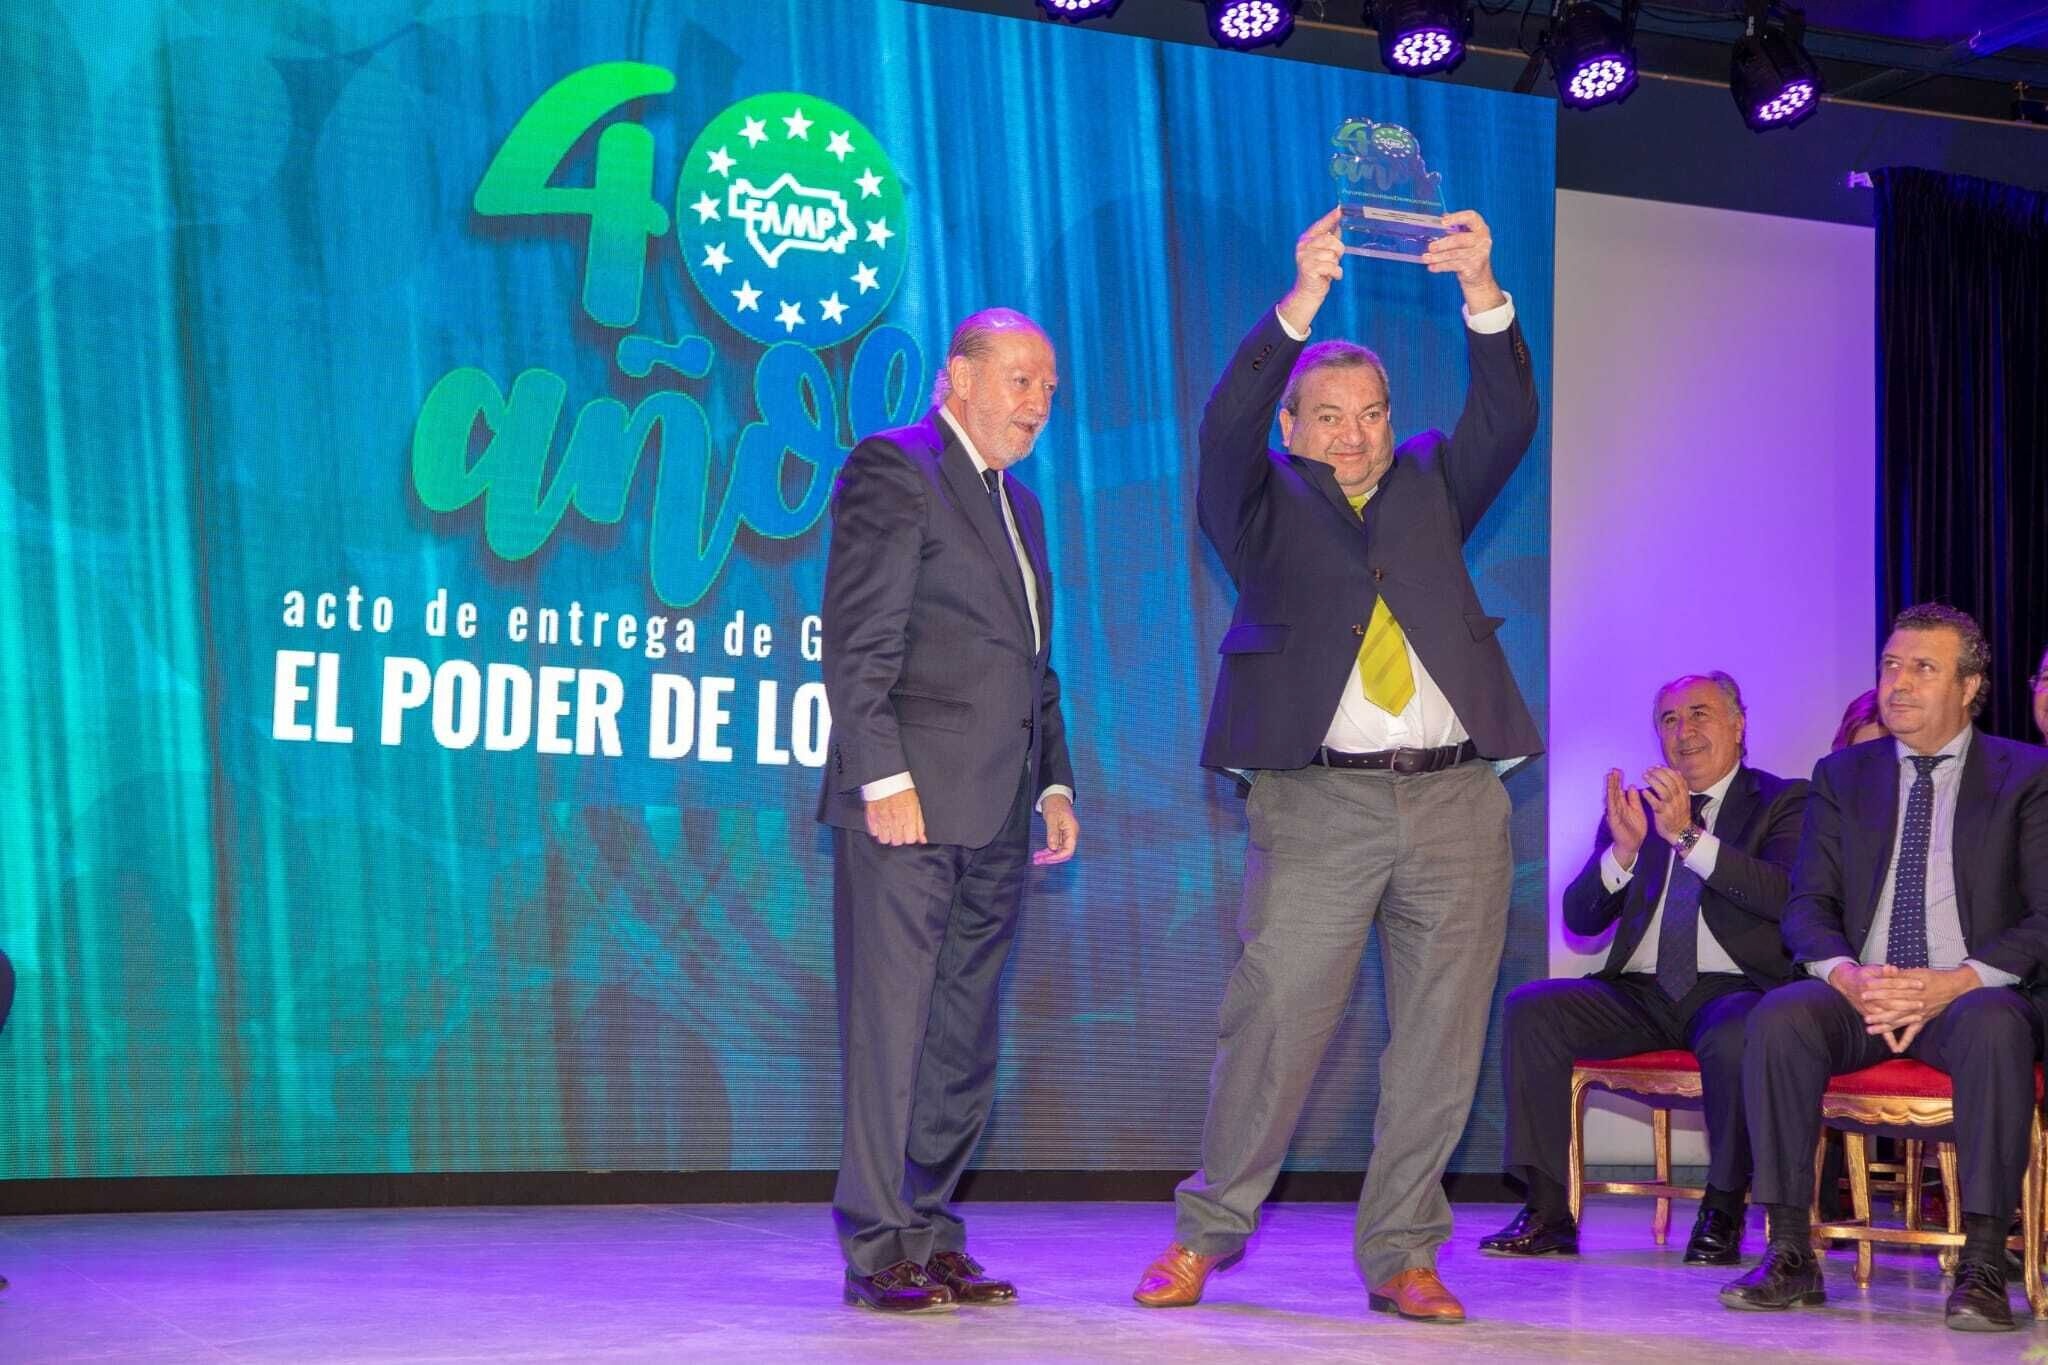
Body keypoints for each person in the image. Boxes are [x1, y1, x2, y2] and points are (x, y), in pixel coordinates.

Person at [1134, 206, 1540, 1323]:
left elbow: (1507, 415)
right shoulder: (1257, 499)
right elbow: (1224, 426)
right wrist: (1300, 300)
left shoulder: (1432, 484)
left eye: (1369, 415)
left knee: (1440, 1040)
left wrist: (1481, 289)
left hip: (1457, 797)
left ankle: (1404, 1253)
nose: (1352, 436)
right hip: (1318, 801)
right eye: (1327, 416)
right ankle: (1204, 1234)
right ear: (1294, 424)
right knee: (1273, 1019)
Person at [818, 309, 1080, 1314]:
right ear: (958, 379)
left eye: (1048, 387)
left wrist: (1053, 781)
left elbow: (1031, 668)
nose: (1037, 402)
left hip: (998, 807)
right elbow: (858, 637)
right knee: (895, 1028)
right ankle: (877, 1241)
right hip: (909, 805)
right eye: (1020, 380)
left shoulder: (1023, 507)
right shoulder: (896, 466)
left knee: (961, 1035)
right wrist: (881, 777)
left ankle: (928, 1231)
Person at [1722, 603, 2048, 1332]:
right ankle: (1791, 1251)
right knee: (1779, 1017)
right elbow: (1808, 904)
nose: (1898, 683)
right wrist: (1849, 977)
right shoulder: (1843, 774)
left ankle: (1983, 1263)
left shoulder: (2025, 774)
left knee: (1998, 1027)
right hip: (1862, 990)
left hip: (1966, 992)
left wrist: (1953, 982)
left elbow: (2044, 917)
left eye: (1923, 668)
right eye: (1891, 665)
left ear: (1970, 687)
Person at [1481, 673, 1806, 1266]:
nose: (1684, 730)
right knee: (1532, 1007)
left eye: (1700, 713)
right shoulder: (1638, 808)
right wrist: (1623, 852)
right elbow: (1580, 918)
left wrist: (1686, 836)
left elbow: (1783, 897)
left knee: (1740, 1034)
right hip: (1639, 992)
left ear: (1739, 725)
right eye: (1669, 719)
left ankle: (1723, 1210)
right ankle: (1549, 1211)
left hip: (1732, 989)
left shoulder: (1784, 801)